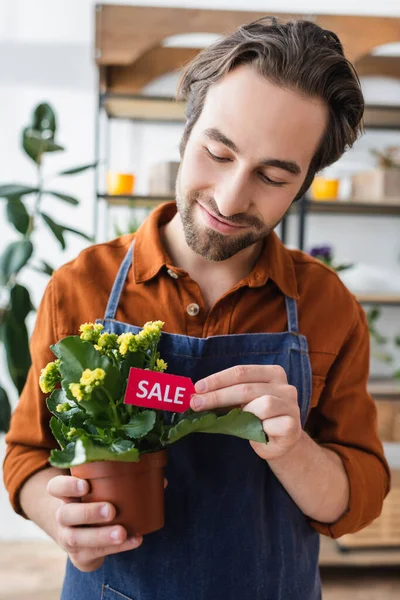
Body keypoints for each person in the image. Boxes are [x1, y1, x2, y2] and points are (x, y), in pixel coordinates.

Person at [3, 17, 390, 600]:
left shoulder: (327, 307)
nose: (232, 199)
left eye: (273, 175)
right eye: (218, 152)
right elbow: (29, 454)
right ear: (187, 134)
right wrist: (58, 518)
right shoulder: (80, 286)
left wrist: (294, 451)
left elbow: (356, 499)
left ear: (304, 182)